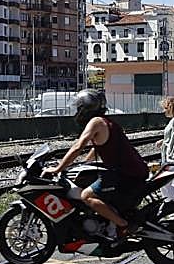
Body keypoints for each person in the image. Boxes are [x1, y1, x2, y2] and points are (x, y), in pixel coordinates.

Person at [42, 89, 147, 240]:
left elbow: (78, 146)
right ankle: (109, 223)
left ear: (86, 108)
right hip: (131, 171)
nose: (77, 111)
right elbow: (98, 148)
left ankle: (123, 225)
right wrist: (83, 164)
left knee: (86, 196)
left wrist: (58, 168)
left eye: (79, 108)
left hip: (124, 173)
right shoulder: (106, 121)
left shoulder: (96, 122)